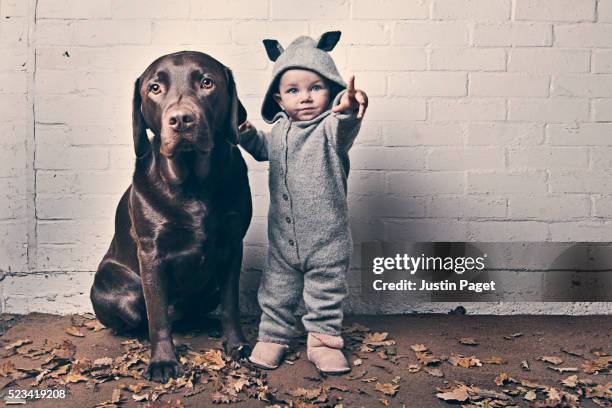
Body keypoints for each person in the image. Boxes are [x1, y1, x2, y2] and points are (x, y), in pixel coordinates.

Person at [238, 31, 368, 374]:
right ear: (279, 100)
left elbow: (346, 126)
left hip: (326, 240)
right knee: (276, 291)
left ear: (331, 90)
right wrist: (246, 134)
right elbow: (263, 149)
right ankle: (272, 336)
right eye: (293, 90)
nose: (306, 97)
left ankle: (323, 342)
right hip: (283, 238)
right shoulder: (280, 130)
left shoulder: (330, 129)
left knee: (325, 295)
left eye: (316, 88)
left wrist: (350, 109)